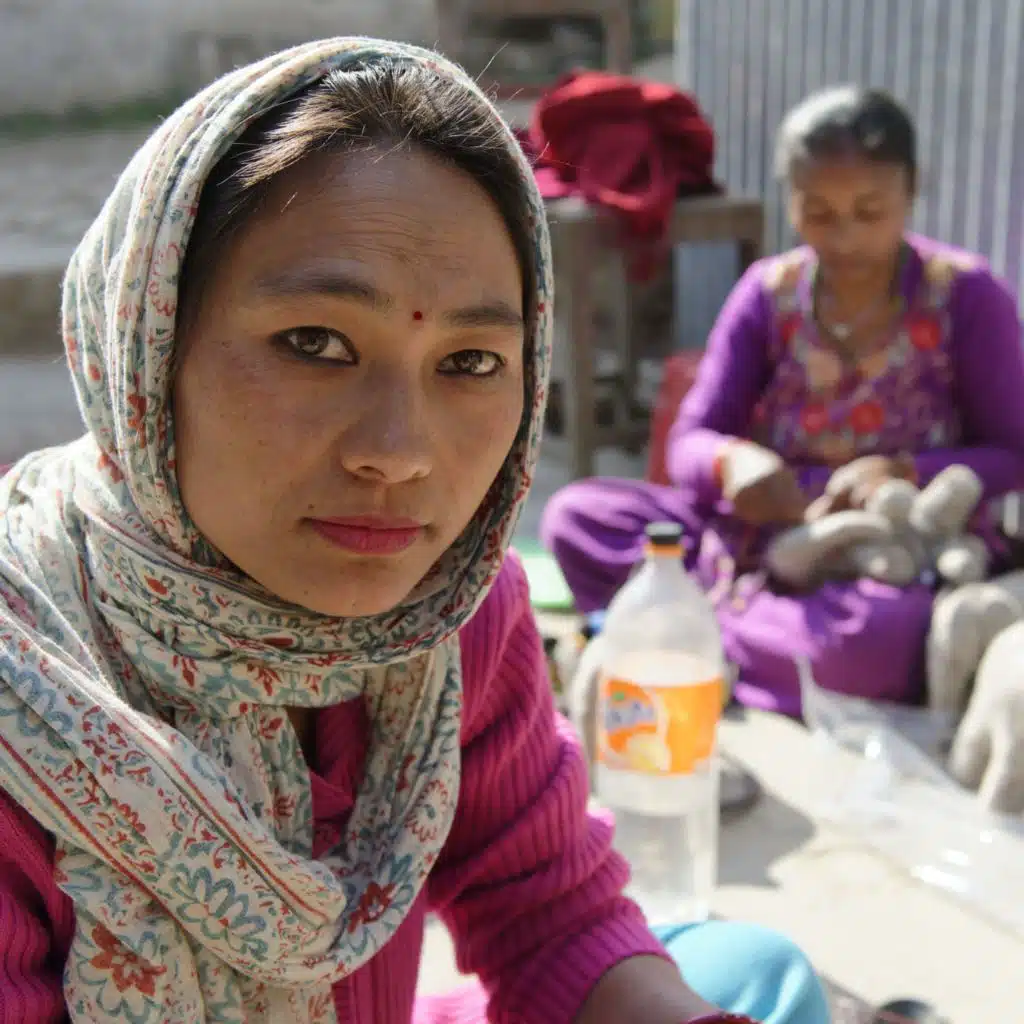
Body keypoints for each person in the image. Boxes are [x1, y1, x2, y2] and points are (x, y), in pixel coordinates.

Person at [0, 39, 829, 1024]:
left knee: (751, 972)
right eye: (315, 343)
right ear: (146, 344)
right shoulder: (28, 686)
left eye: (470, 362)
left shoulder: (449, 613)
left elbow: (548, 913)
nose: (398, 455)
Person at [543, 85, 1024, 716]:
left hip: (891, 553)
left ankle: (685, 631)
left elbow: (1013, 452)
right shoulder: (769, 293)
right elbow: (691, 440)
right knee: (578, 516)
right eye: (818, 211)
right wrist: (731, 463)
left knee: (880, 637)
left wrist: (904, 471)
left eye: (870, 211)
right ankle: (739, 637)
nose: (845, 237)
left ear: (910, 192)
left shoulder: (965, 295)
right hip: (761, 533)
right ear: (790, 200)